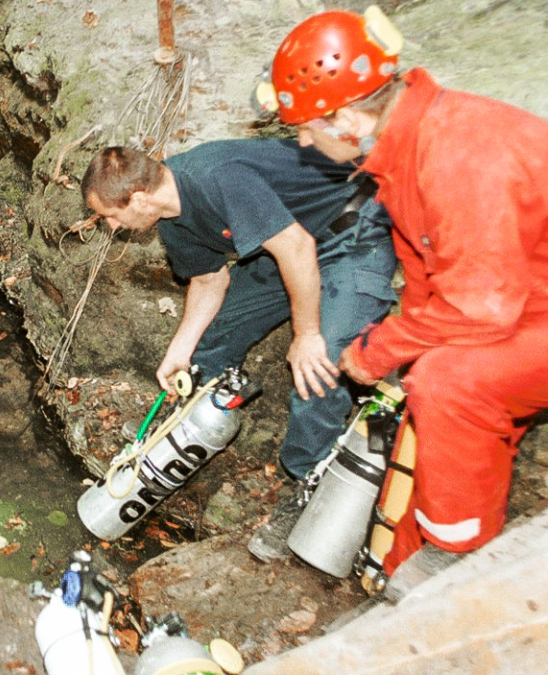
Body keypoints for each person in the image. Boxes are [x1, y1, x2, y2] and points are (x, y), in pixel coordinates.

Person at [259, 6, 548, 599]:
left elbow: (477, 308)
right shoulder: (404, 153)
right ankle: (403, 568)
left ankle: (458, 559)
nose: (304, 141)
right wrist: (401, 351)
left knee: (449, 384)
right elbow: (428, 282)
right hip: (521, 301)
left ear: (347, 118)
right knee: (427, 404)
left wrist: (379, 351)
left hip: (515, 308)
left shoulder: (461, 153)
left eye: (307, 128)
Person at [81, 139, 397, 561]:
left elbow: (298, 248)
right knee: (213, 336)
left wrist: (306, 334)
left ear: (137, 198)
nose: (111, 226)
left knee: (321, 362)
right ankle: (184, 424)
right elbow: (209, 280)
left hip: (349, 233)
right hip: (287, 241)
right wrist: (181, 349)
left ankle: (308, 484)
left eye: (110, 215)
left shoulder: (218, 178)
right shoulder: (171, 217)